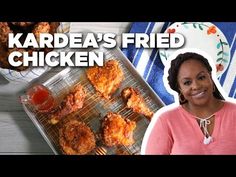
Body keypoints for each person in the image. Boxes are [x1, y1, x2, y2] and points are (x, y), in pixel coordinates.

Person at [141, 52, 236, 155]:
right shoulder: (166, 121)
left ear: (211, 78)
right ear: (180, 89)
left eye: (201, 77)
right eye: (187, 83)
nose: (196, 86)